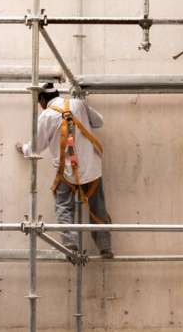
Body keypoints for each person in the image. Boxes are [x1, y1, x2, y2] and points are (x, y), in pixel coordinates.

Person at [17, 82, 114, 258]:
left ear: (42, 100)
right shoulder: (78, 104)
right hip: (91, 169)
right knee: (98, 208)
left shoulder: (46, 115)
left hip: (67, 172)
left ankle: (71, 246)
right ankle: (105, 247)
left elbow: (35, 148)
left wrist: (22, 148)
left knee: (64, 206)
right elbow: (99, 121)